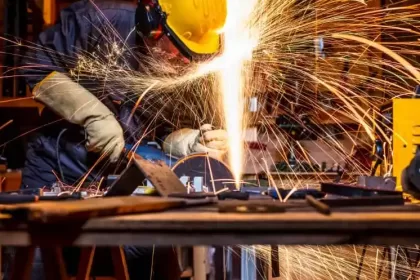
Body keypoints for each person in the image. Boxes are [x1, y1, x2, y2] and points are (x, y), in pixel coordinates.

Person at [6, 0, 228, 279]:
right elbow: (35, 65)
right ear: (153, 25)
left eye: (193, 57)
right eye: (180, 51)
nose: (186, 63)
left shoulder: (190, 67)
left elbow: (161, 133)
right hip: (57, 174)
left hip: (127, 188)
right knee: (36, 268)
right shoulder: (98, 21)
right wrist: (90, 113)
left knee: (142, 262)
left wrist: (186, 143)